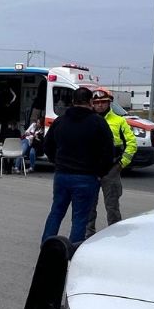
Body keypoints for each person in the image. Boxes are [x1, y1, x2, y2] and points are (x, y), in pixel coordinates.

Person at [40, 87, 115, 248]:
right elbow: (109, 152)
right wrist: (100, 173)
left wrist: (57, 162)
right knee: (80, 218)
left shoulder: (60, 121)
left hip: (62, 176)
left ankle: (47, 247)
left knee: (56, 212)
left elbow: (46, 145)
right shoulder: (98, 122)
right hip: (86, 177)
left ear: (72, 102)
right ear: (90, 102)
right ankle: (71, 252)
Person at [85, 88, 137, 239]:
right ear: (92, 104)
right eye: (96, 102)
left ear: (109, 103)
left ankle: (115, 237)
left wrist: (121, 164)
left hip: (111, 170)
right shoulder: (88, 120)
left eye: (103, 102)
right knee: (89, 207)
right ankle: (88, 236)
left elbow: (132, 144)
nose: (100, 105)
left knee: (112, 207)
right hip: (91, 170)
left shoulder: (120, 121)